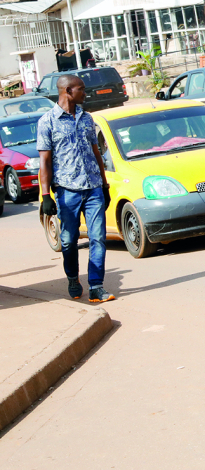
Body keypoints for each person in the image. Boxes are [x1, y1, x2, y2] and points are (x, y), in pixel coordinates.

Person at [37, 75, 114, 303]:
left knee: (98, 237)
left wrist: (105, 184)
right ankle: (72, 277)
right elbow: (45, 162)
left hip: (93, 189)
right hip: (67, 191)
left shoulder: (87, 119)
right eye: (81, 89)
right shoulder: (47, 122)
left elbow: (96, 153)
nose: (85, 93)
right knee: (69, 240)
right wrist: (45, 196)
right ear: (68, 91)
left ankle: (96, 286)